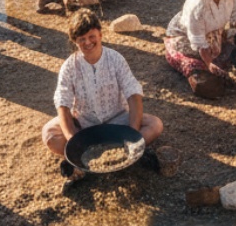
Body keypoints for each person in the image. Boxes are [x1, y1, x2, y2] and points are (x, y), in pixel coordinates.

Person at [42, 10, 163, 191]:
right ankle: (84, 158)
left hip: (117, 120)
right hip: (84, 125)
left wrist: (132, 134)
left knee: (155, 124)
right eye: (81, 39)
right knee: (50, 135)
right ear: (75, 41)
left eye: (91, 36)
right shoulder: (69, 66)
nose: (88, 42)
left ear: (100, 34)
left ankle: (127, 149)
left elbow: (133, 94)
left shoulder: (115, 59)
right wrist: (74, 141)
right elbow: (63, 103)